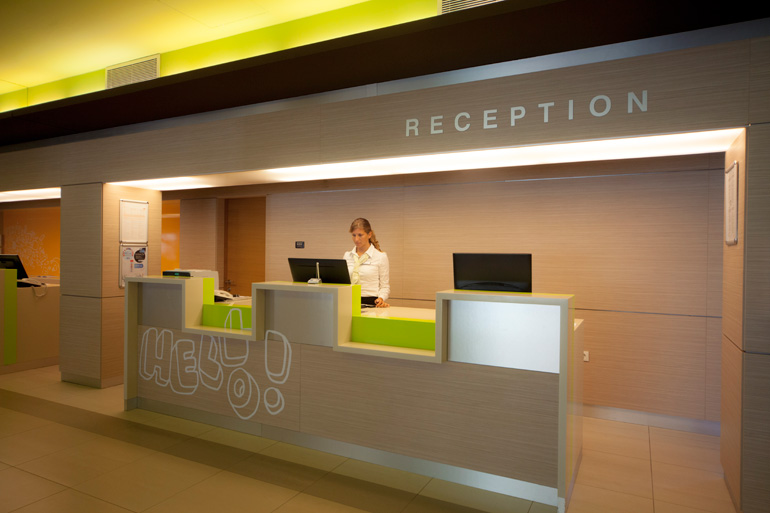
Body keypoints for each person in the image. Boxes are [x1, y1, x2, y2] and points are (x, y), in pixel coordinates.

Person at [343, 218, 390, 307]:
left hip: (371, 303)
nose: (356, 239)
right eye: (354, 235)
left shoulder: (380, 256)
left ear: (369, 234)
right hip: (348, 301)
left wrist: (381, 298)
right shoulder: (347, 256)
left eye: (360, 235)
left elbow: (385, 286)